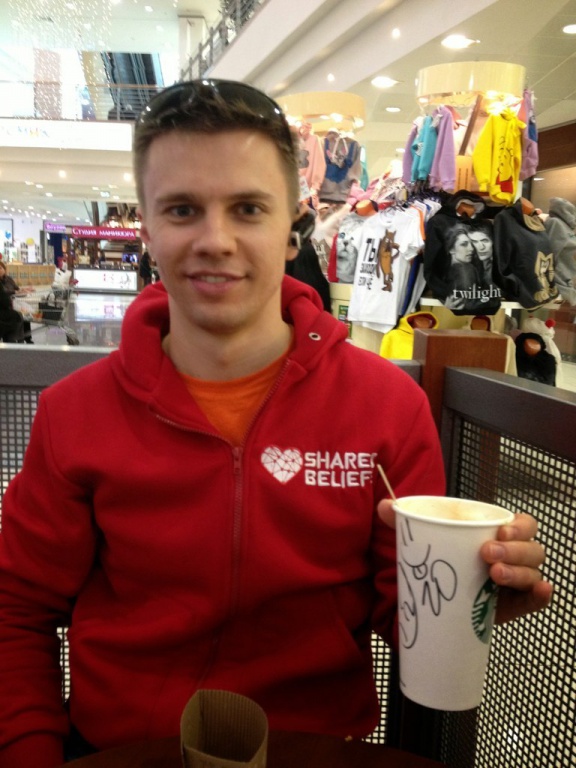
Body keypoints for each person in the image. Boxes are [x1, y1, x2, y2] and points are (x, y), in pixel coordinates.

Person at [0, 80, 552, 768]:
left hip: (316, 750)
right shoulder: (74, 413)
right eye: (182, 209)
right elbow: (17, 609)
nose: (216, 240)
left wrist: (477, 591)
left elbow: (404, 611)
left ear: (291, 224)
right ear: (147, 227)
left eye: (248, 208)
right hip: (125, 749)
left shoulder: (386, 407)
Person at [0, 260, 33, 342]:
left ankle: (27, 338)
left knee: (25, 315)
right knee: (17, 316)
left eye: (0, 268)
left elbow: (17, 289)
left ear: (4, 269)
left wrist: (24, 290)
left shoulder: (9, 279)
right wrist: (15, 292)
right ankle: (15, 339)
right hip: (6, 306)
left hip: (13, 302)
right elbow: (5, 293)